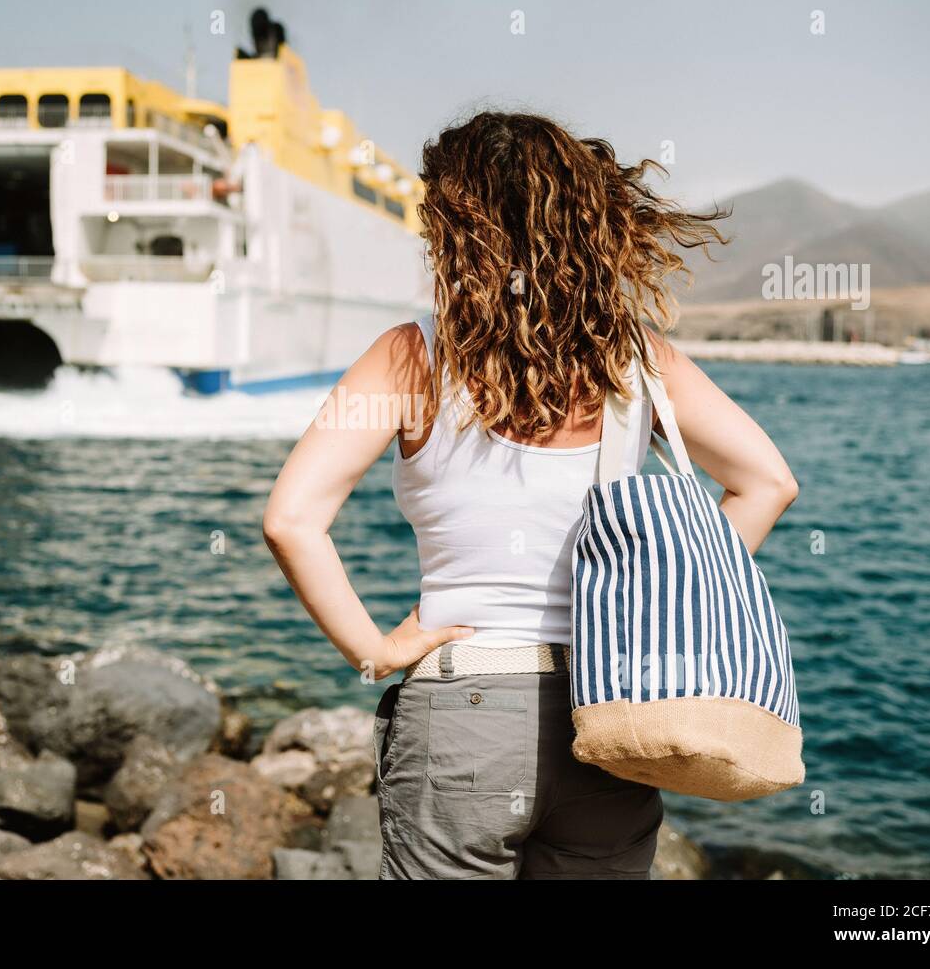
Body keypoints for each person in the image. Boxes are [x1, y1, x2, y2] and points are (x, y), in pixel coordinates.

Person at [263, 112, 799, 880]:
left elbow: (290, 521)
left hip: (462, 714)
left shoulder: (411, 355)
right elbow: (767, 482)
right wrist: (651, 603)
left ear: (454, 227)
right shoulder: (637, 358)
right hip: (611, 713)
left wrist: (375, 651)